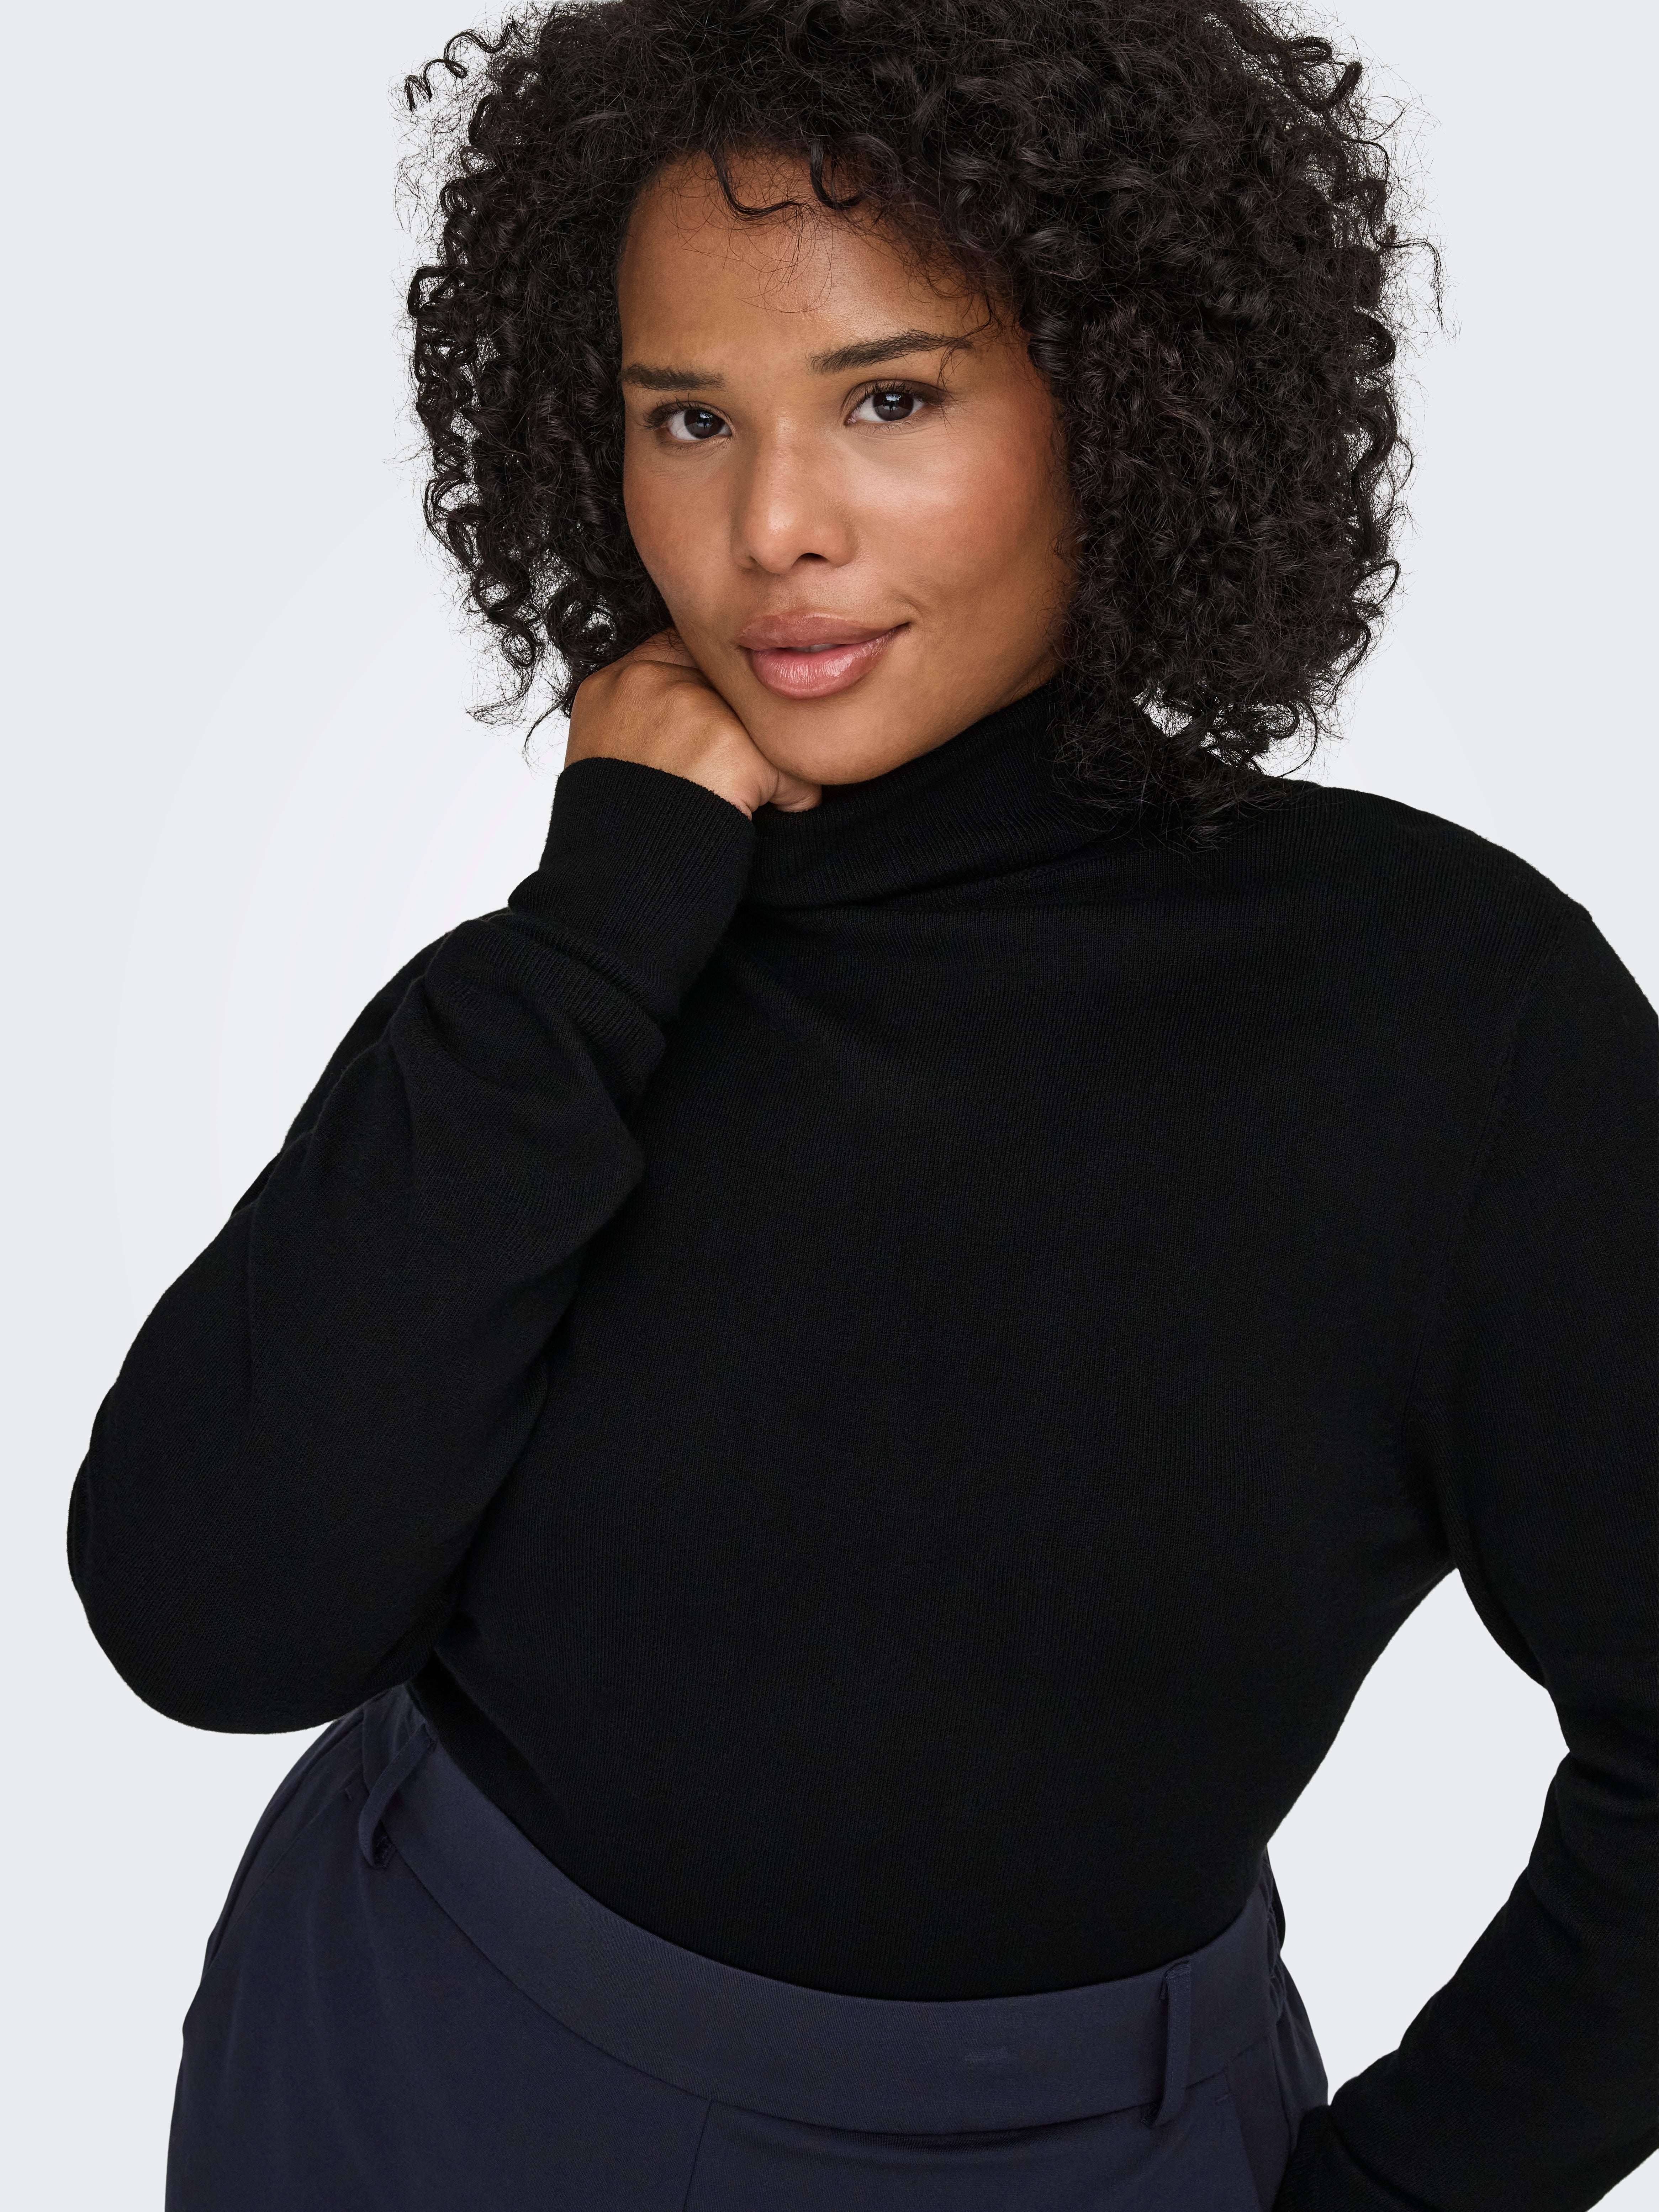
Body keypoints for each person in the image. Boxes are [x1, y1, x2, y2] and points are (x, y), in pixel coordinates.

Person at [67, 1, 1655, 2206]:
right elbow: (210, 1620)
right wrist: (597, 928)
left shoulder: (1445, 1010)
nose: (772, 526)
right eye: (687, 417)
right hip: (404, 2063)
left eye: (890, 397)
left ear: (1122, 395)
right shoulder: (589, 972)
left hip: (1052, 2156)